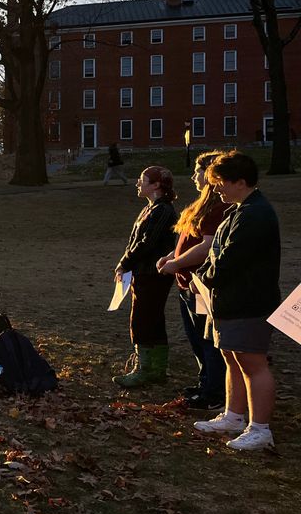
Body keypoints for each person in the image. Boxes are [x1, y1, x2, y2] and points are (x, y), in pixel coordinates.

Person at [192, 152, 281, 451]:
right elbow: (219, 253)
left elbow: (230, 259)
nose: (216, 189)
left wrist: (204, 277)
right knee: (232, 358)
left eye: (220, 183)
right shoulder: (238, 210)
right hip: (229, 301)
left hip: (249, 302)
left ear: (240, 182)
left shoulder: (255, 213)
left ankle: (260, 428)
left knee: (253, 362)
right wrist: (206, 274)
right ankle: (233, 416)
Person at [155, 151, 228, 410]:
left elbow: (207, 246)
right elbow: (188, 240)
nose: (194, 176)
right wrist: (170, 256)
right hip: (186, 284)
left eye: (198, 171)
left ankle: (215, 392)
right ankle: (205, 381)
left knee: (208, 339)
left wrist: (176, 263)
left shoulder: (219, 207)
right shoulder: (201, 205)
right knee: (196, 338)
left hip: (201, 286)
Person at [112, 166, 178, 388]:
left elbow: (146, 243)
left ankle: (146, 369)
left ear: (156, 185)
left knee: (143, 320)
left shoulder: (163, 211)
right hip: (143, 272)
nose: (138, 183)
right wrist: (125, 264)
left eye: (142, 180)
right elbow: (135, 242)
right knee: (148, 318)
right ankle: (154, 368)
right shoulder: (150, 209)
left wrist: (124, 263)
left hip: (153, 273)